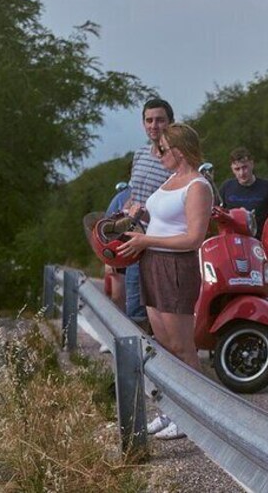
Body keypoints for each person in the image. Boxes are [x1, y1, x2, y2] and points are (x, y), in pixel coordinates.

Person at [118, 123, 212, 440]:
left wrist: (147, 242)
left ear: (179, 151)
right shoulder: (171, 180)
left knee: (183, 348)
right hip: (152, 262)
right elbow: (160, 222)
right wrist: (138, 231)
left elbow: (194, 238)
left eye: (162, 149)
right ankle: (170, 410)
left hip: (175, 266)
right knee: (165, 348)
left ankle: (193, 416)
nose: (157, 155)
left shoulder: (198, 186)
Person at [123, 98, 174, 328]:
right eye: (149, 120)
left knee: (161, 310)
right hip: (134, 240)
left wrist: (147, 214)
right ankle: (138, 362)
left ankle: (162, 361)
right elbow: (134, 194)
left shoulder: (176, 160)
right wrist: (127, 209)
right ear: (143, 124)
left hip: (161, 246)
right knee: (134, 306)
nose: (154, 125)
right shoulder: (140, 154)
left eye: (160, 120)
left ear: (170, 123)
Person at [218, 147, 268, 238]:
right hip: (233, 242)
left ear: (252, 164)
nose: (242, 173)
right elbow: (216, 215)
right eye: (237, 169)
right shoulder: (226, 187)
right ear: (232, 169)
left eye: (244, 167)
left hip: (260, 242)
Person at [103, 182, 131, 312]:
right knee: (118, 298)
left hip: (148, 253)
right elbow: (106, 228)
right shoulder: (122, 197)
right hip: (121, 254)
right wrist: (108, 259)